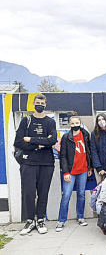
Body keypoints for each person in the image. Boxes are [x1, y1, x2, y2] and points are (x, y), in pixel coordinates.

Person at [14, 94, 57, 235]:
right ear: (33, 104)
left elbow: (53, 141)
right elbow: (19, 142)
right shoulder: (25, 121)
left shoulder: (50, 122)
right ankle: (30, 220)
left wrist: (31, 139)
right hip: (28, 162)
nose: (40, 105)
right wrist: (39, 144)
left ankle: (40, 220)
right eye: (37, 102)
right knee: (29, 193)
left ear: (45, 104)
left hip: (46, 163)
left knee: (43, 193)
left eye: (42, 103)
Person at [56, 116, 93, 232]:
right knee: (66, 195)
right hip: (70, 172)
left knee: (81, 194)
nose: (75, 124)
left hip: (83, 170)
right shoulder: (66, 137)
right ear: (69, 124)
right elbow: (63, 156)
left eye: (77, 122)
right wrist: (65, 172)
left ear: (80, 123)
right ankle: (61, 220)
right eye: (72, 123)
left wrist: (89, 167)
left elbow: (89, 152)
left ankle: (80, 217)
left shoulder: (86, 135)